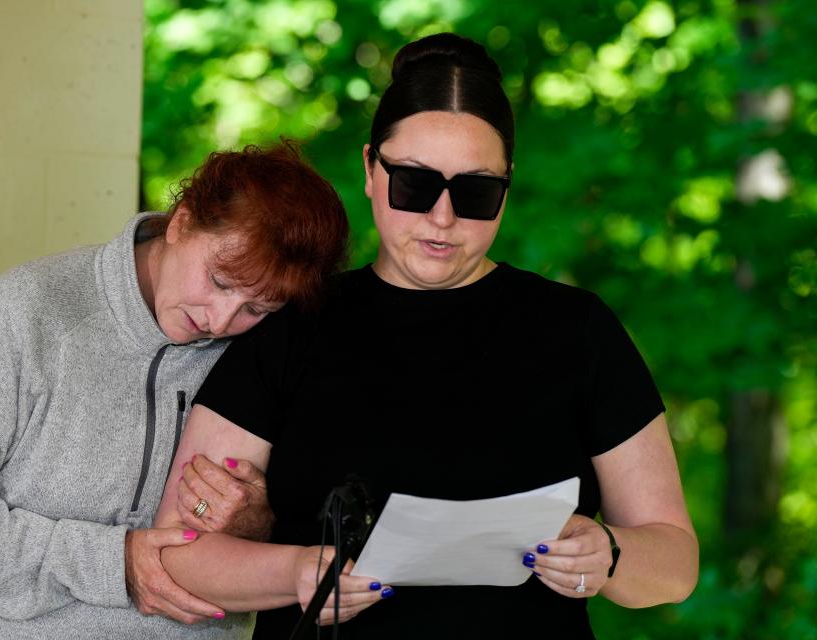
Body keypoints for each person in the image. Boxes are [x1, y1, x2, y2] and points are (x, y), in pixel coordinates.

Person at [154, 33, 700, 638]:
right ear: (369, 168)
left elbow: (675, 564)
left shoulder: (579, 330)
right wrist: (299, 572)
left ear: (507, 189)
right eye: (414, 184)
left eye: (475, 192)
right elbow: (181, 549)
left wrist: (610, 554)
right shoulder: (292, 325)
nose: (442, 218)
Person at [0, 142, 360, 639]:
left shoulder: (261, 350)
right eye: (218, 280)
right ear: (182, 222)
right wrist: (115, 561)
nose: (220, 319)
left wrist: (256, 524)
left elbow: (283, 540)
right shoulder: (31, 311)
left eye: (256, 309)